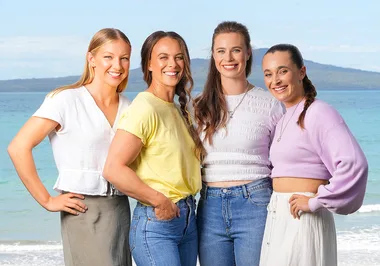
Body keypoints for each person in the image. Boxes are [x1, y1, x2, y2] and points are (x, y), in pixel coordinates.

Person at [7, 28, 133, 266]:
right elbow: (18, 147)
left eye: (124, 58)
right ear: (91, 59)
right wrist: (46, 200)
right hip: (83, 209)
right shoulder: (66, 100)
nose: (117, 65)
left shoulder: (129, 107)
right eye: (108, 56)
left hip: (120, 209)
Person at [259, 44, 368, 266]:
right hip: (279, 217)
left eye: (283, 71)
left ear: (301, 72)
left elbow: (354, 164)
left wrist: (317, 202)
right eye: (268, 74)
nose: (275, 80)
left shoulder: (319, 112)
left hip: (303, 217)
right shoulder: (283, 118)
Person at [102, 31, 204, 266]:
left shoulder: (180, 108)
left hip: (188, 220)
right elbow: (113, 168)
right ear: (149, 63)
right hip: (157, 225)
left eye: (179, 57)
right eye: (163, 57)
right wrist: (159, 201)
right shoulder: (144, 107)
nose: (173, 64)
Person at [193, 21, 284, 266]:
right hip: (209, 205)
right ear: (213, 55)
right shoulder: (198, 107)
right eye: (221, 51)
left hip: (255, 202)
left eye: (236, 49)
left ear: (248, 53)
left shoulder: (270, 104)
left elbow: (284, 160)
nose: (229, 57)